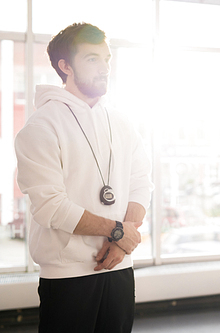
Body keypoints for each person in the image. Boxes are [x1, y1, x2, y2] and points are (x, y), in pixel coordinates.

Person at [15, 22, 154, 333]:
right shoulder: (41, 127)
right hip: (67, 275)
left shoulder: (121, 121)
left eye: (106, 59)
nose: (104, 67)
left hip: (120, 266)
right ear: (65, 66)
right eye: (92, 59)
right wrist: (119, 232)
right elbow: (50, 206)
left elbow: (141, 182)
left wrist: (121, 242)